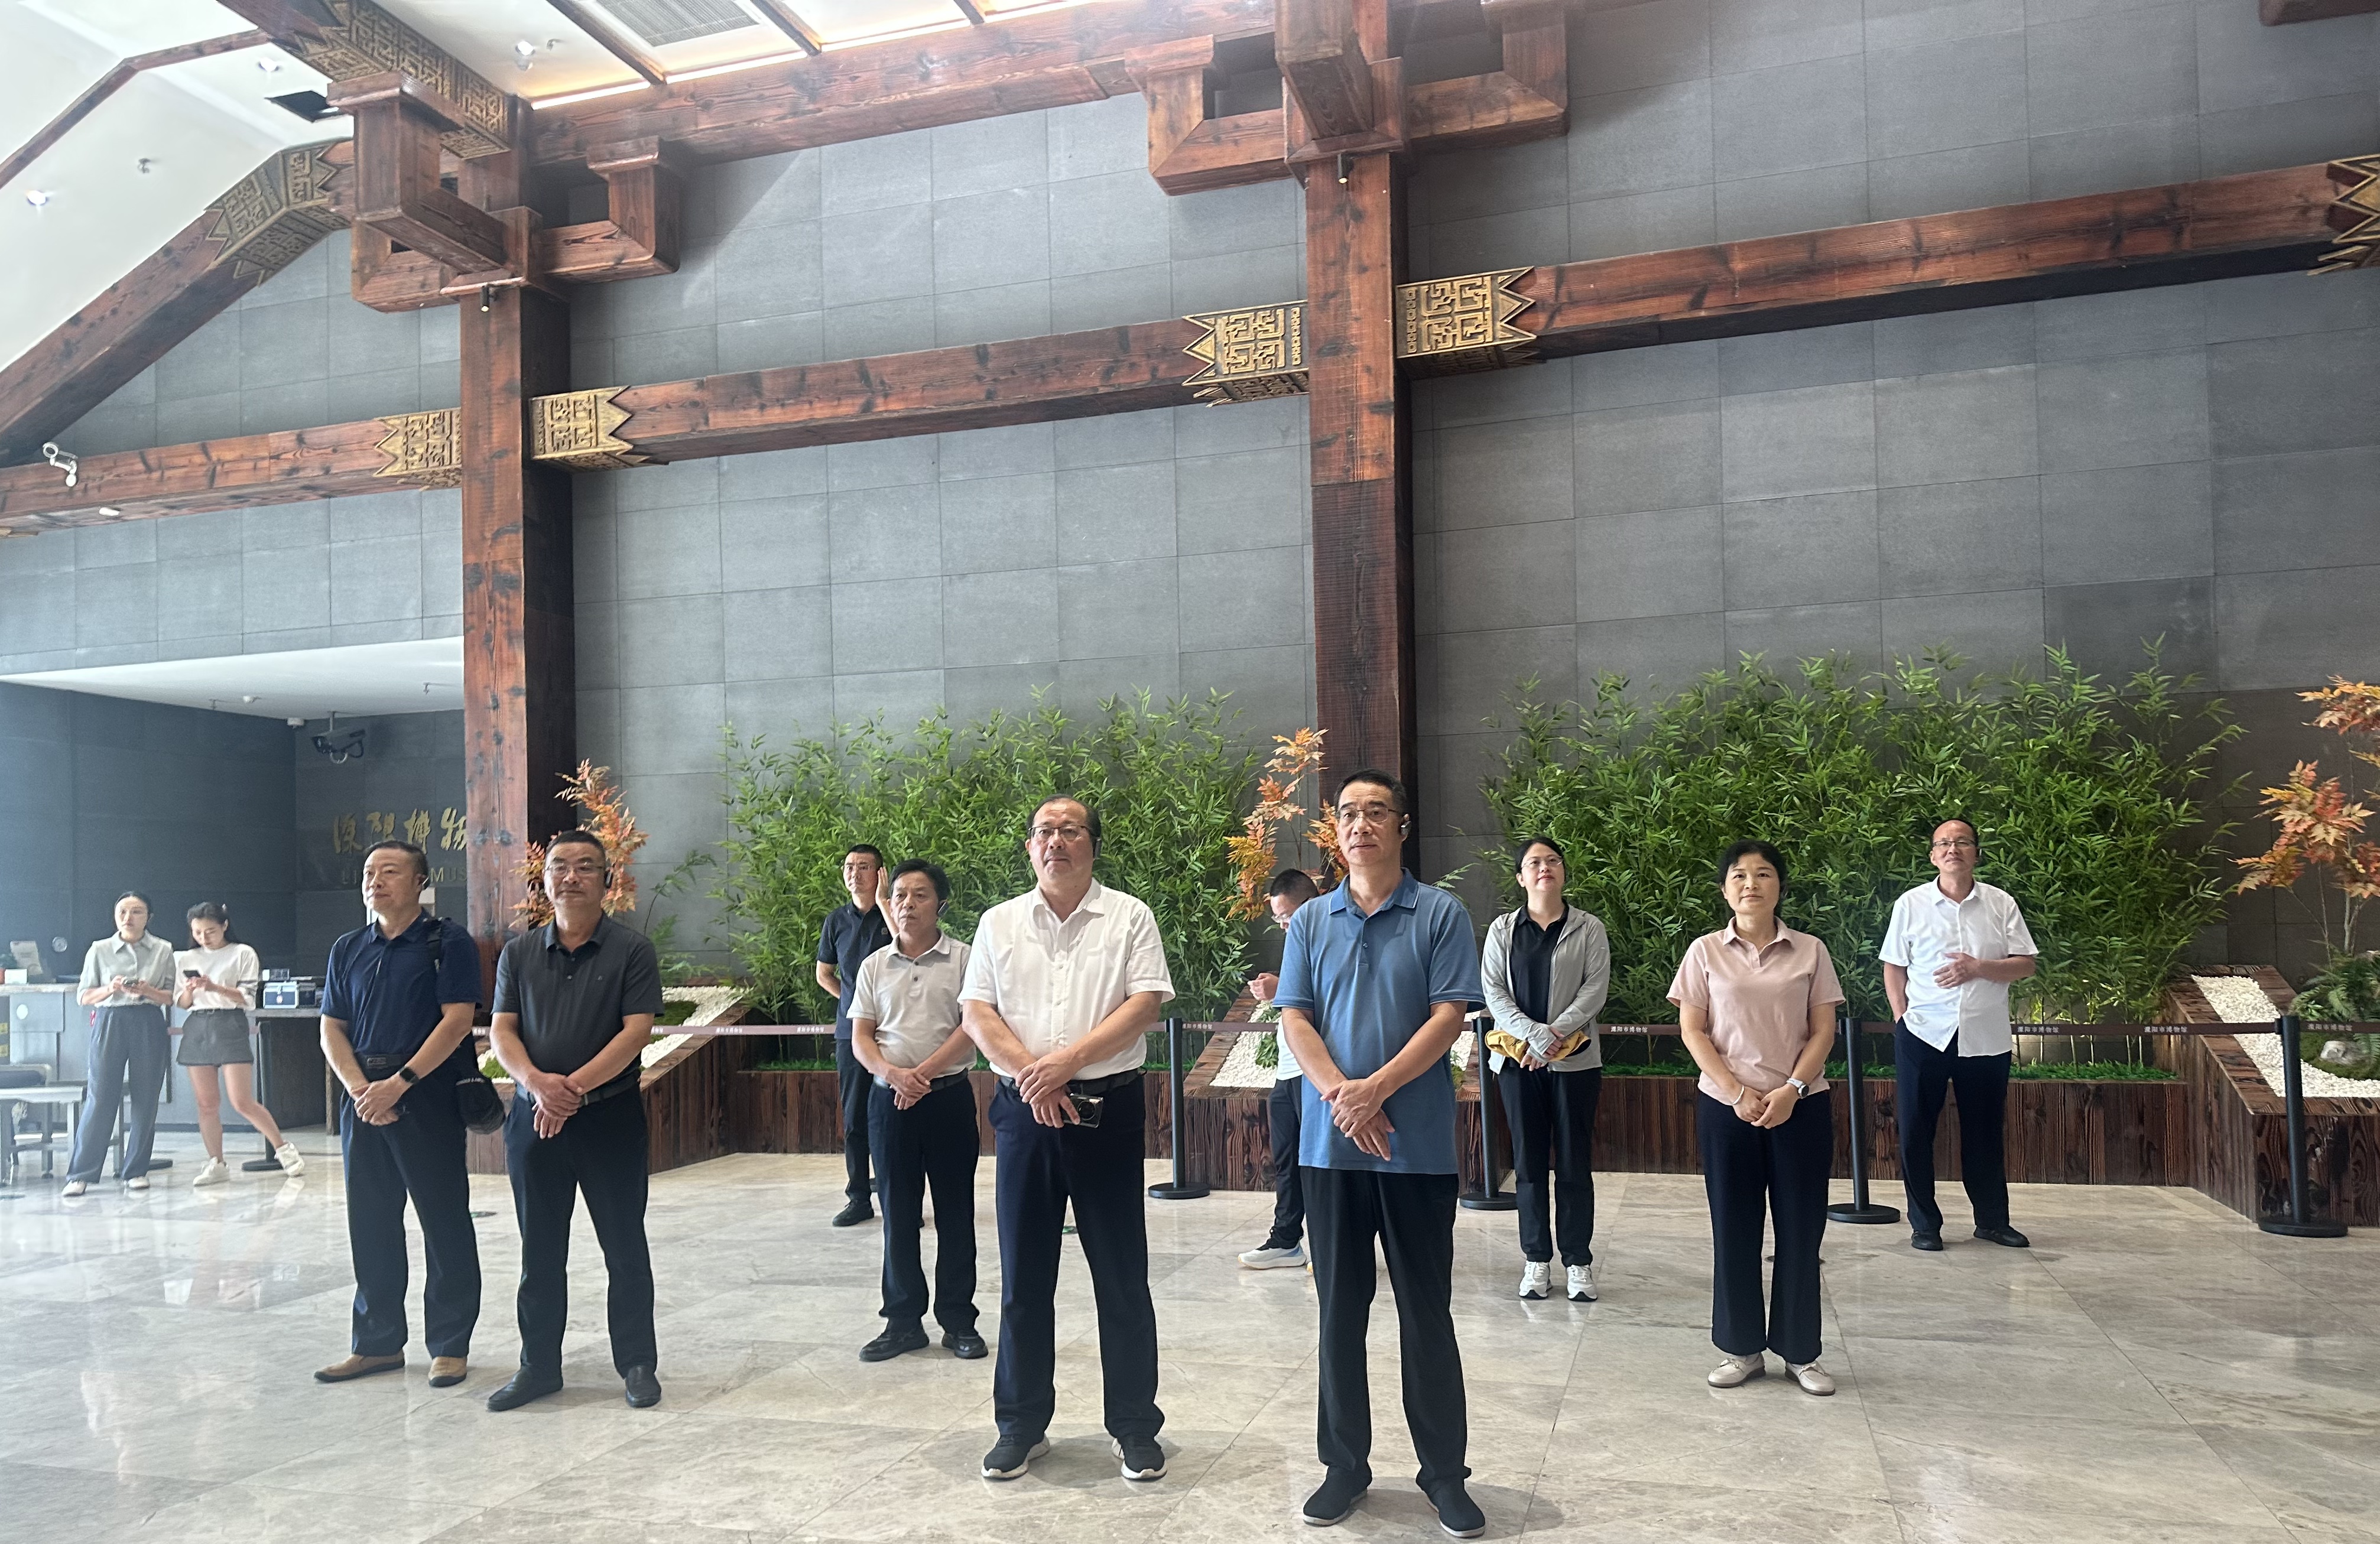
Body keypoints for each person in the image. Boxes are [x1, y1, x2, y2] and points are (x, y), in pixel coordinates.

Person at [1275, 769, 1487, 1539]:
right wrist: (1342, 1096)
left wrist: (1377, 1091)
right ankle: (1344, 1466)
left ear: (1401, 825)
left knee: (1426, 1312)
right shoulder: (1310, 920)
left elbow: (1448, 1015)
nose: (1359, 824)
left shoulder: (1439, 912)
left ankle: (1443, 1475)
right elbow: (1295, 1019)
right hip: (1328, 1150)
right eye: (1347, 814)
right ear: (1334, 831)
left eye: (1374, 812)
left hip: (1415, 1147)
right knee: (1339, 1312)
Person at [960, 796, 1173, 1484]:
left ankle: (1134, 1427)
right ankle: (1020, 1426)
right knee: (1024, 1278)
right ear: (1029, 848)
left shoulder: (1129, 916)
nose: (1056, 841)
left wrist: (1065, 1064)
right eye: (1044, 832)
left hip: (1107, 1111)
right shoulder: (998, 923)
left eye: (1070, 831)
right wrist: (1036, 1075)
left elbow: (1144, 1004)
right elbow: (977, 1012)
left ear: (1093, 845)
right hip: (1024, 1112)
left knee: (1121, 1276)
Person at [485, 830, 667, 1412]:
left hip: (609, 1119)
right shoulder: (518, 953)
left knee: (624, 1248)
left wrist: (572, 1091)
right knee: (539, 1252)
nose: (571, 876)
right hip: (532, 1120)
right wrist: (538, 1085)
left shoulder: (632, 951)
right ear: (544, 882)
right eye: (560, 866)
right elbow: (502, 1030)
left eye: (586, 866)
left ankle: (636, 1364)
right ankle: (538, 1367)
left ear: (606, 881)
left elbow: (636, 1032)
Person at [1669, 840, 1842, 1398]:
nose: (1751, 884)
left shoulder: (1810, 950)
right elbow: (1693, 1029)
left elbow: (1823, 1030)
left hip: (1801, 1106)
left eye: (1763, 874)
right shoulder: (1703, 951)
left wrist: (1792, 1089)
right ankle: (1740, 1348)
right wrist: (1735, 1091)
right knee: (1734, 1229)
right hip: (1726, 1109)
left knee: (1801, 1229)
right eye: (1739, 875)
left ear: (1779, 887)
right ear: (1725, 890)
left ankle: (1801, 1352)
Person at [313, 840, 483, 1389]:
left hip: (425, 1094)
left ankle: (450, 1344)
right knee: (370, 1221)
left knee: (442, 1218)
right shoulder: (348, 947)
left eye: (389, 871)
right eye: (369, 872)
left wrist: (399, 1084)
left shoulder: (446, 942)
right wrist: (361, 1088)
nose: (376, 881)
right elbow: (331, 1026)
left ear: (420, 883)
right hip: (362, 1096)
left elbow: (457, 1021)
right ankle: (377, 1342)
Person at [848, 859, 985, 1363]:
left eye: (919, 895)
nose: (907, 904)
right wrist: (892, 1074)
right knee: (898, 1213)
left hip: (947, 1098)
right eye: (900, 895)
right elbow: (861, 1037)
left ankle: (958, 1320)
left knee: (955, 1212)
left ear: (941, 904)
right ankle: (902, 1322)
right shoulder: (873, 965)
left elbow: (972, 1026)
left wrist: (920, 1075)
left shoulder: (967, 959)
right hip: (888, 1102)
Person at [1880, 817, 2040, 1252]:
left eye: (1963, 842)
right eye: (1944, 843)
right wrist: (1901, 1016)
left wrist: (1978, 967)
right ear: (1933, 855)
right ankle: (1924, 1225)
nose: (1953, 849)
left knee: (1984, 1132)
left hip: (1985, 1036)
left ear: (1976, 854)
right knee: (1916, 1131)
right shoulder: (1911, 904)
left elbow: (2026, 963)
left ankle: (1992, 1222)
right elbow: (1893, 965)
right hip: (1923, 1033)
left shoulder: (2000, 903)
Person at [1479, 837, 1609, 1304]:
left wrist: (1554, 1035)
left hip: (1575, 1061)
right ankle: (1536, 1258)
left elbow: (1595, 989)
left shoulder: (1588, 927)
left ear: (1563, 871)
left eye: (1552, 860)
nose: (1544, 867)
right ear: (1520, 877)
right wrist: (1535, 1036)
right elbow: (1494, 991)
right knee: (1528, 1164)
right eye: (1533, 862)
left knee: (1574, 1162)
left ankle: (1577, 1261)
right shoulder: (1502, 929)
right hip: (1518, 1062)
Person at [174, 901, 305, 1187]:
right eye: (197, 932)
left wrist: (214, 987)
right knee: (206, 1103)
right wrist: (190, 990)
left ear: (225, 926)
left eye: (210, 931)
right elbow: (182, 1003)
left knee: (242, 1101)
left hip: (230, 1022)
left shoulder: (242, 953)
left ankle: (283, 1149)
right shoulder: (184, 958)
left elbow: (248, 998)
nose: (204, 938)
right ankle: (216, 1162)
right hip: (197, 1025)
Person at [64, 892, 177, 1197]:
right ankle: (81, 1174)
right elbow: (83, 996)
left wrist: (148, 991)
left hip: (148, 1020)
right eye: (122, 912)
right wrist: (110, 988)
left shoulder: (164, 949)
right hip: (109, 1020)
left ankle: (136, 1171)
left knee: (146, 1098)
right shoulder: (99, 949)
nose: (128, 918)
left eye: (137, 912)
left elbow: (171, 997)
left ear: (149, 917)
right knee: (101, 1097)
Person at [1239, 867, 1324, 1270]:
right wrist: (1274, 990)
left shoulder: (1331, 937)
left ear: (1312, 902)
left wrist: (1280, 989)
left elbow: (1332, 1002)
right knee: (1286, 1159)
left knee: (1318, 1161)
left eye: (1287, 915)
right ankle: (1286, 1239)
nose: (1284, 924)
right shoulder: (1296, 940)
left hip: (1316, 1069)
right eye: (1278, 918)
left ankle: (1327, 1243)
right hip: (1288, 1069)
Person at [818, 844, 892, 1228]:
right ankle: (858, 1198)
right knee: (855, 1119)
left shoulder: (895, 913)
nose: (854, 873)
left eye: (864, 866)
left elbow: (909, 948)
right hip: (851, 1035)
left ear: (880, 874)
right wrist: (853, 1002)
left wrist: (885, 903)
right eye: (849, 866)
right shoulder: (836, 920)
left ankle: (899, 1199)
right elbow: (824, 974)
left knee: (895, 1117)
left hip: (893, 1032)